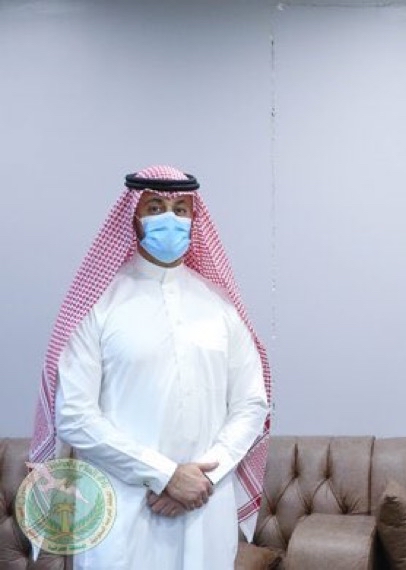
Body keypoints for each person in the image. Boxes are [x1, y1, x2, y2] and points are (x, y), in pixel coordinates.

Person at [29, 165, 272, 569]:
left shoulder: (220, 305)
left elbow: (252, 404)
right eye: (155, 207)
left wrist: (203, 478)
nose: (170, 219)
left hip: (205, 508)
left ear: (194, 218)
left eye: (181, 209)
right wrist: (165, 475)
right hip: (124, 511)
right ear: (134, 217)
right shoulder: (98, 306)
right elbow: (73, 415)